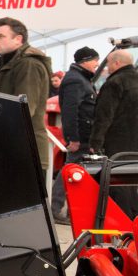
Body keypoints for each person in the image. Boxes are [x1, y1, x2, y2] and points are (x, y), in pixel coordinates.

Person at [0, 17, 54, 172]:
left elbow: (23, 109)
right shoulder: (9, 65)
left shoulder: (28, 64)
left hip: (23, 151)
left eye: (1, 36)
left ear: (18, 39)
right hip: (13, 149)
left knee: (20, 197)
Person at [50, 47, 99, 223]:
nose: (97, 64)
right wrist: (73, 138)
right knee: (70, 171)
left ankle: (71, 211)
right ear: (86, 60)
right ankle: (56, 210)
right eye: (95, 60)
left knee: (75, 172)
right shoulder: (76, 80)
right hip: (81, 136)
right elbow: (70, 111)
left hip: (83, 134)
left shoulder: (79, 78)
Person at [89, 49, 138, 218]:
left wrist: (95, 143)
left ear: (117, 63)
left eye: (108, 63)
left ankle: (124, 221)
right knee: (133, 181)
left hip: (117, 142)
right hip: (134, 143)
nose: (107, 67)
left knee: (118, 183)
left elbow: (104, 116)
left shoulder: (115, 83)